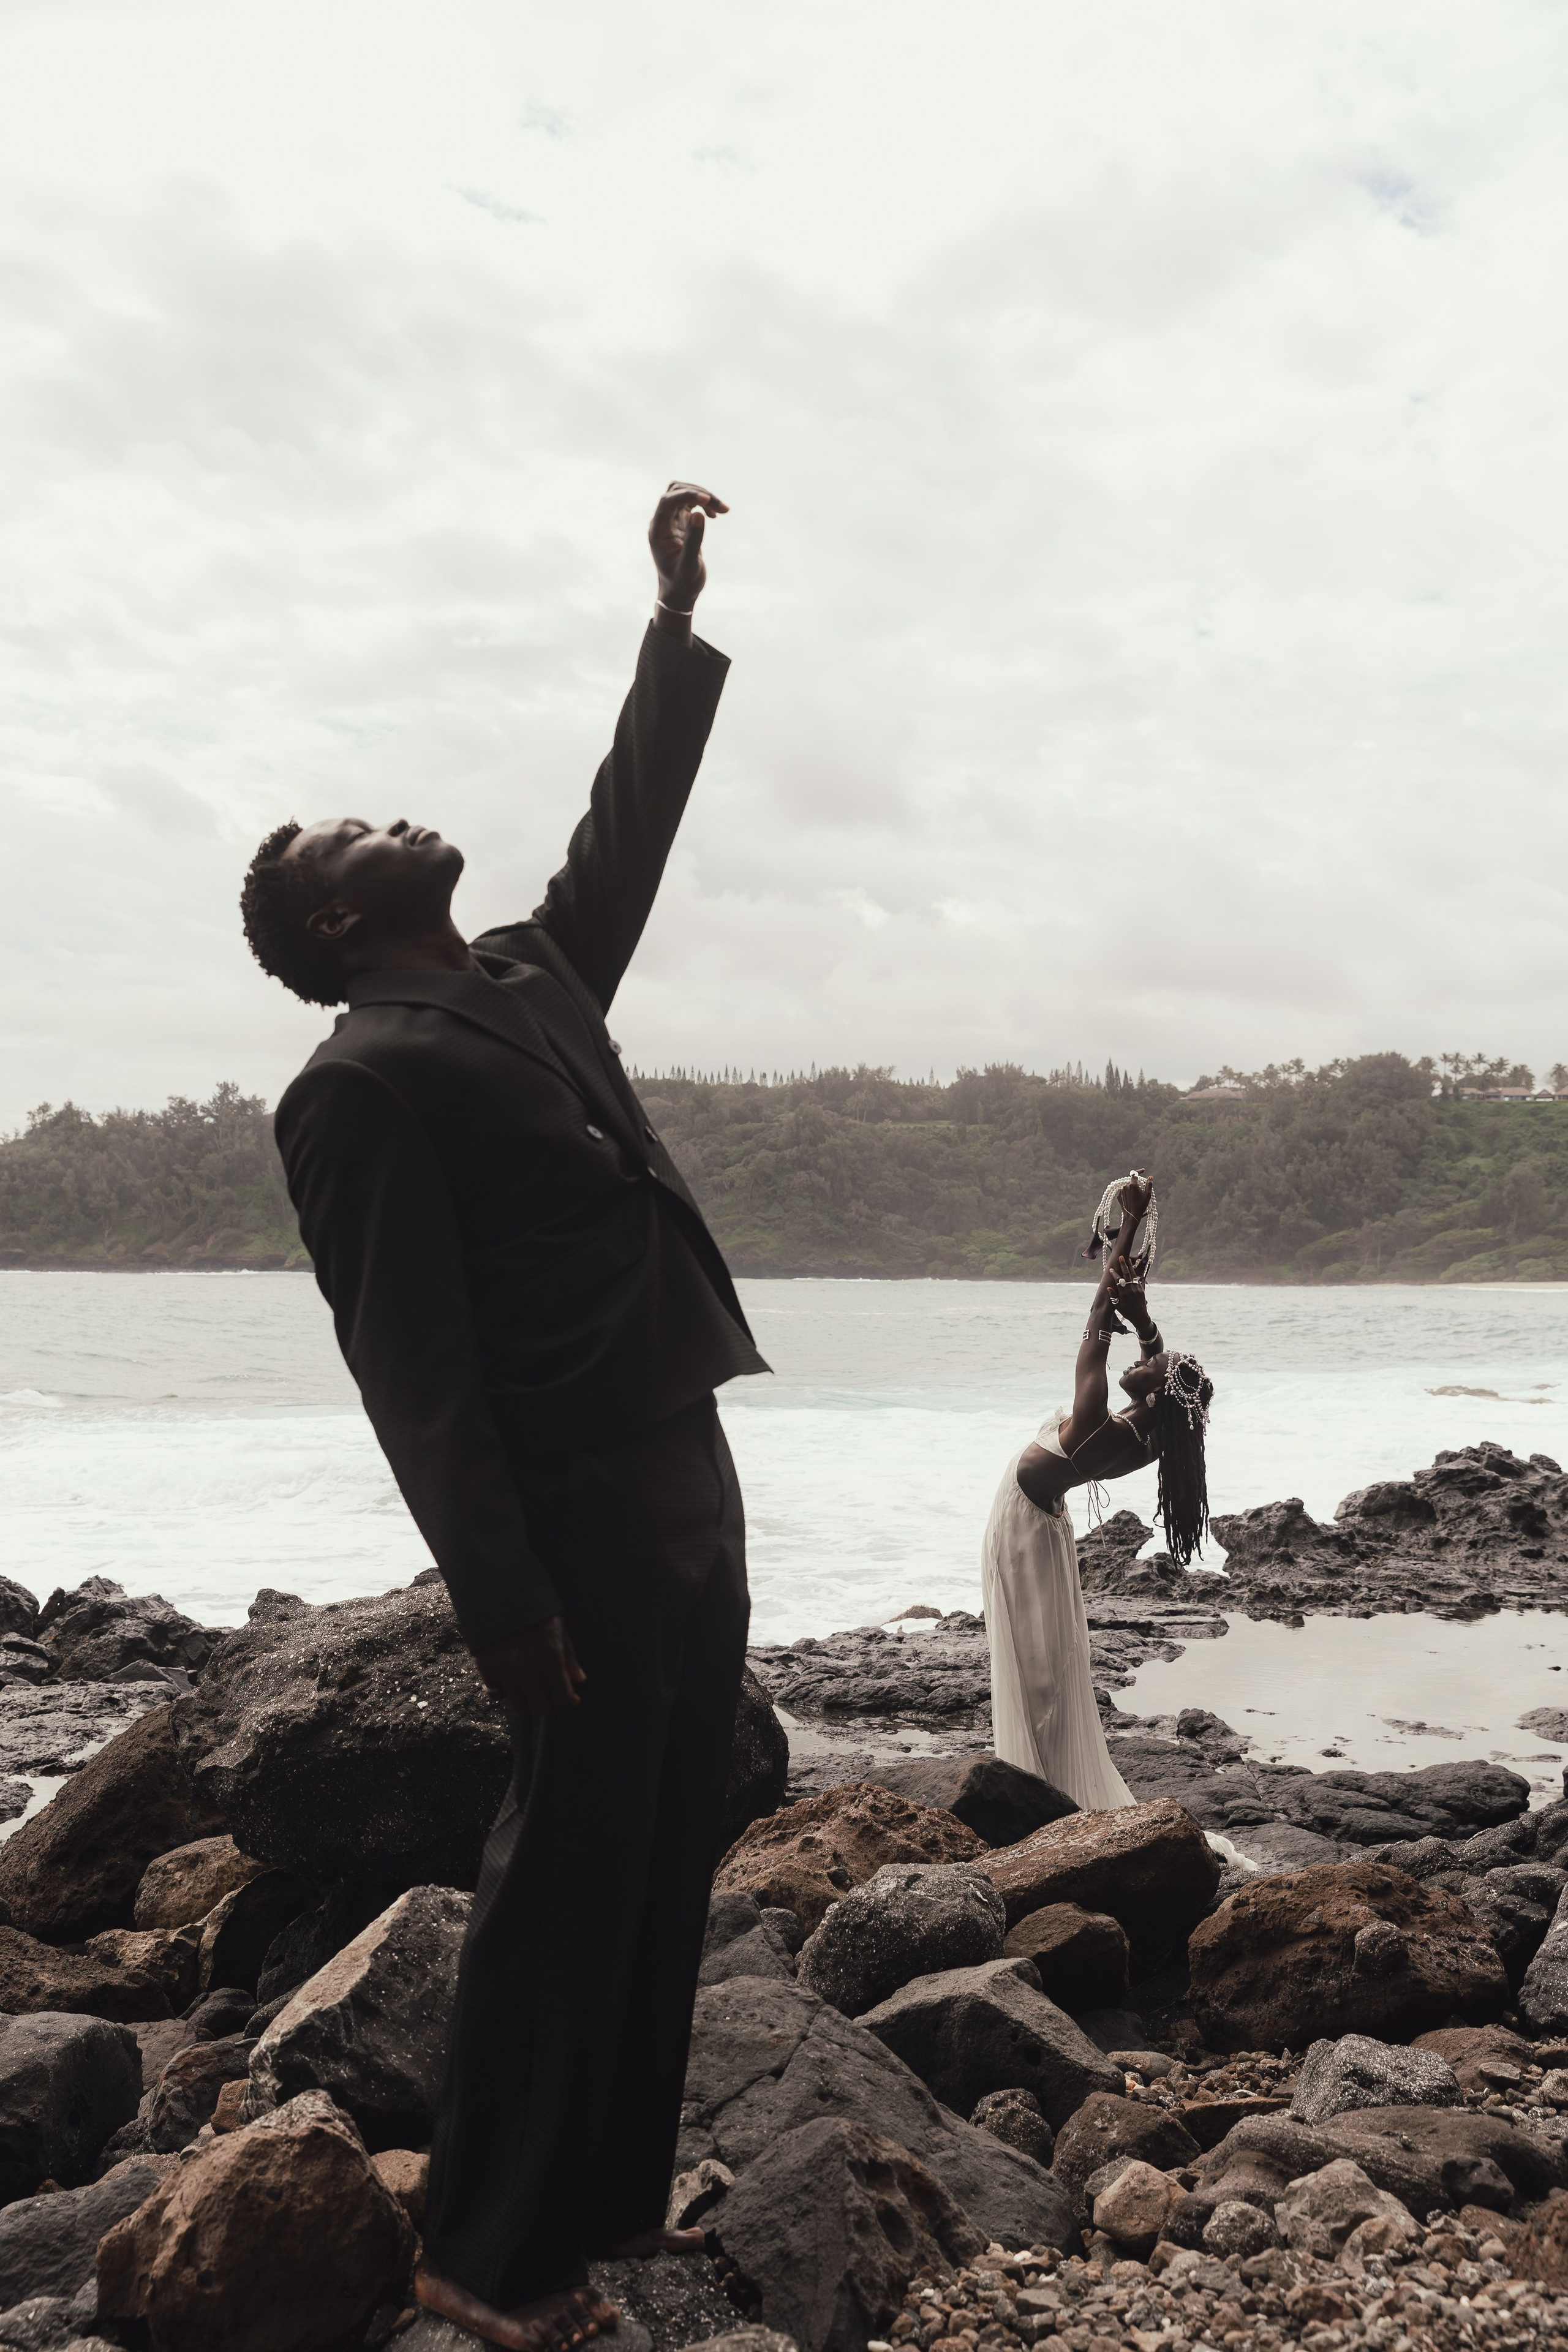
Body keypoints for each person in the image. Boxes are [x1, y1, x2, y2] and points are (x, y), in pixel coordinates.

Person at [238, 485, 767, 2352]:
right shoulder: (356, 1082)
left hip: (681, 1451)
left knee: (666, 1832)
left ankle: (599, 2200)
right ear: (337, 914)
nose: (394, 816)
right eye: (356, 830)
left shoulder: (529, 976)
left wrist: (669, 625)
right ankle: (480, 2244)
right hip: (571, 1508)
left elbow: (628, 830)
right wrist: (501, 1596)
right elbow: (411, 1365)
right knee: (565, 1857)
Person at [981, 1172, 1214, 1804]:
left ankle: (1038, 1785)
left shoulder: (1093, 1417)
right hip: (1046, 1527)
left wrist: (1131, 1224)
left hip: (1020, 1526)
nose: (1146, 1355)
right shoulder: (1153, 1435)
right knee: (1048, 1662)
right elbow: (1166, 1373)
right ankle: (1051, 1779)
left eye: (1152, 1362)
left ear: (1156, 1391)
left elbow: (1096, 1318)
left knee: (1034, 1662)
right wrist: (1144, 1318)